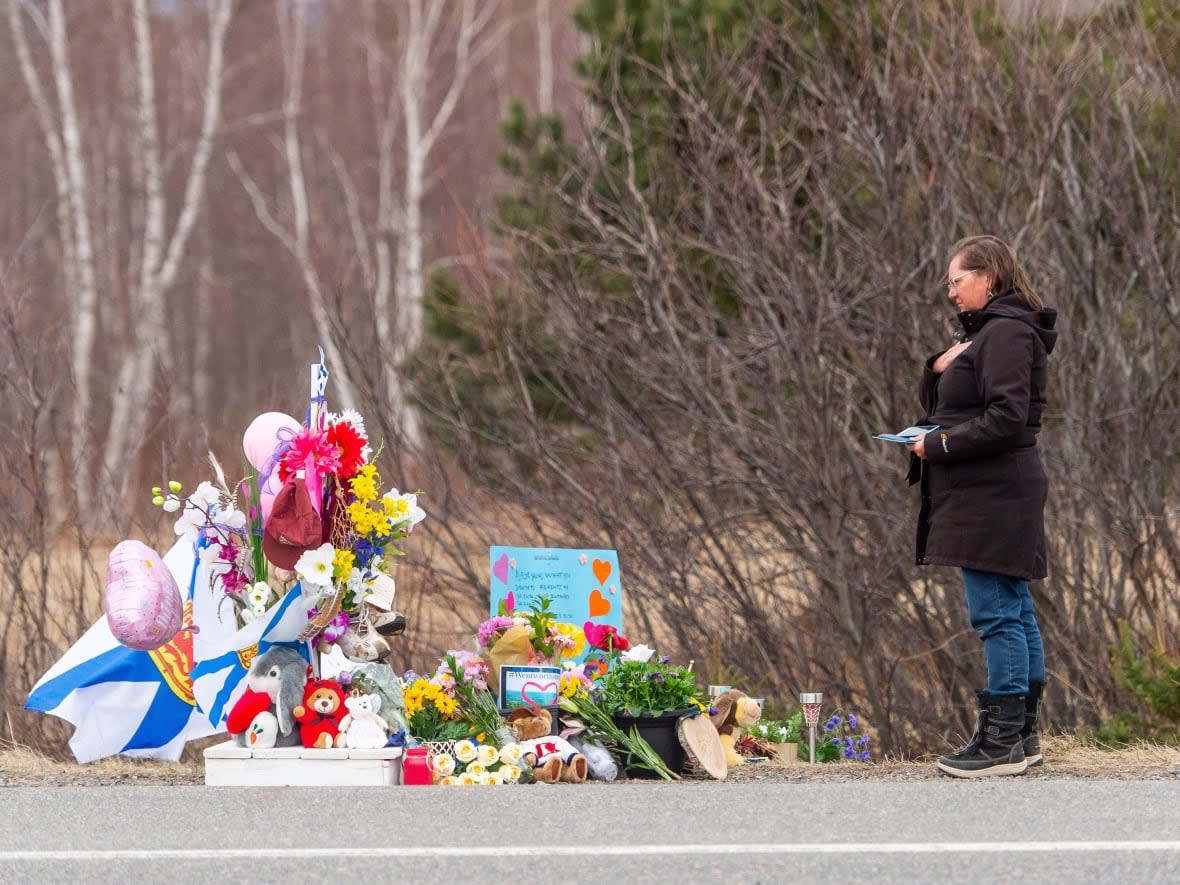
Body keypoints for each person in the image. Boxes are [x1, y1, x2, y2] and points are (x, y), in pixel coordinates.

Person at [907, 235, 1058, 778]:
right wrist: (939, 367)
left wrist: (939, 446)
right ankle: (1020, 738)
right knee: (1013, 606)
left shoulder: (1008, 333)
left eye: (956, 280)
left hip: (996, 491)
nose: (950, 291)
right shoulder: (987, 335)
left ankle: (1001, 744)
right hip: (990, 489)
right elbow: (955, 405)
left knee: (997, 611)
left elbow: (1008, 417)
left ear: (988, 277)